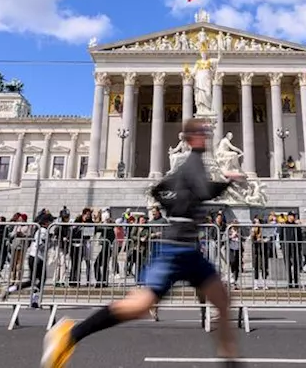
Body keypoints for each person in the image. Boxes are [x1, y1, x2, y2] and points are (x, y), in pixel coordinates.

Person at [41, 118, 245, 368]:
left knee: (223, 301)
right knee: (139, 305)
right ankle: (69, 335)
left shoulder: (190, 166)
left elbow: (160, 190)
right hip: (176, 250)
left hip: (190, 250)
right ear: (192, 138)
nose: (206, 136)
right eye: (202, 133)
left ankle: (230, 361)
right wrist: (227, 180)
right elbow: (203, 191)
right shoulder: (192, 163)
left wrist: (176, 201)